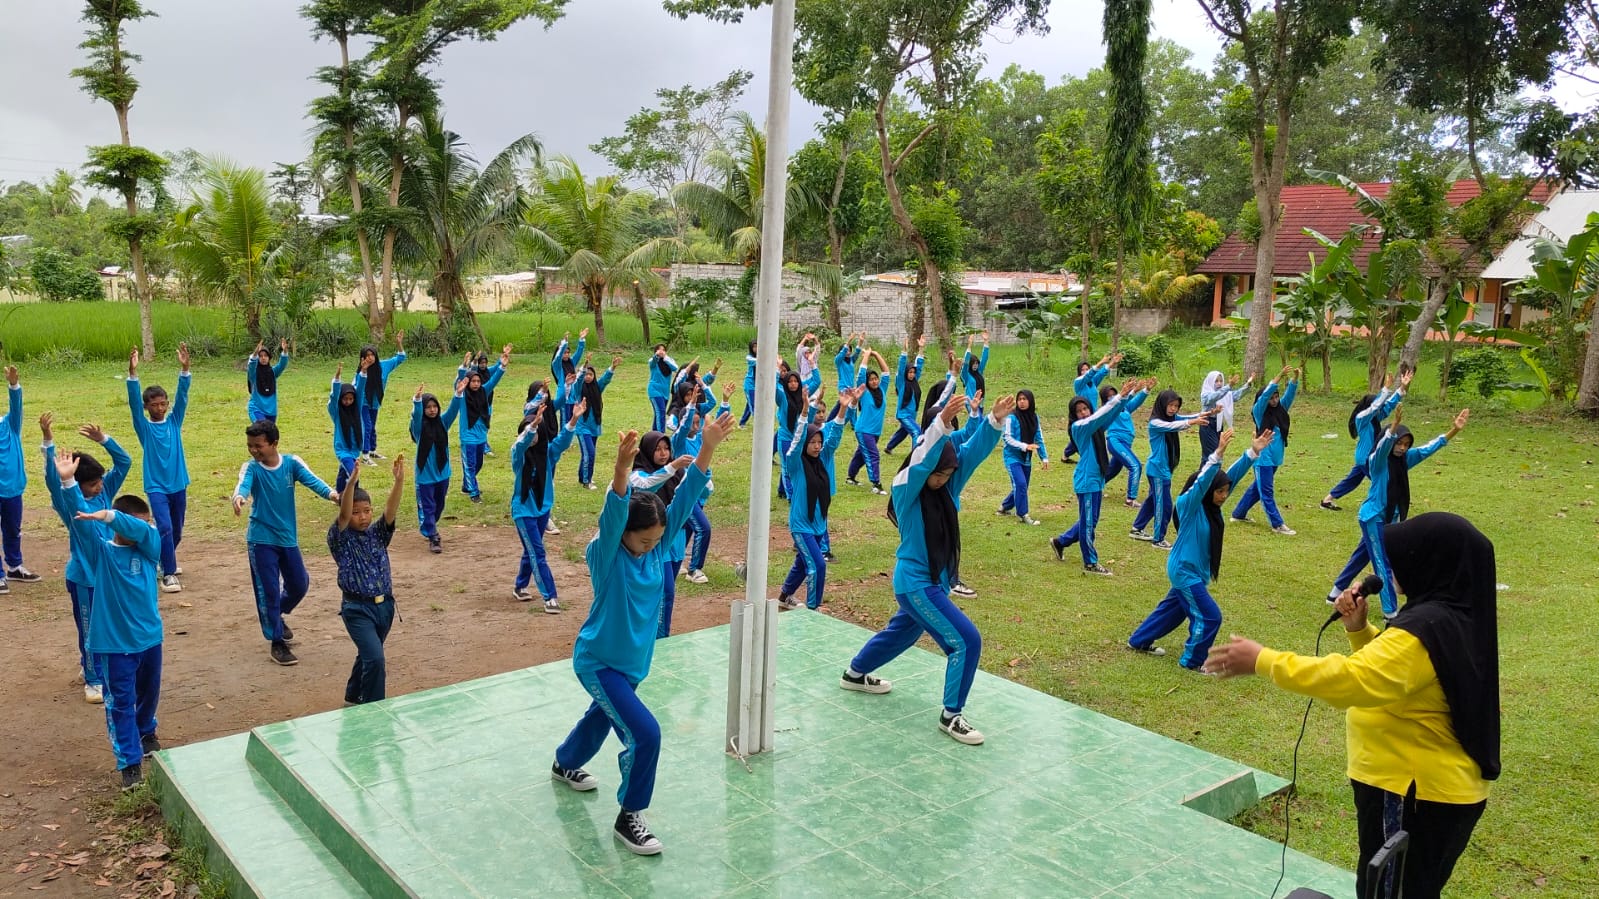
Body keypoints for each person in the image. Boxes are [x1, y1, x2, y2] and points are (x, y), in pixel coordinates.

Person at [1205, 512, 1500, 899]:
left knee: (1389, 893)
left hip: (1413, 793)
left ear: (1431, 562)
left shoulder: (1424, 630)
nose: (1391, 570)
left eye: (1400, 559)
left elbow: (1353, 681)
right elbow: (1403, 679)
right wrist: (1360, 631)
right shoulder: (1452, 617)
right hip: (1436, 792)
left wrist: (1263, 660)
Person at [551, 416, 733, 856]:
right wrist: (619, 470)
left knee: (601, 719)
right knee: (645, 734)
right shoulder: (607, 556)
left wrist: (707, 447)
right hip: (599, 661)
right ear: (625, 536)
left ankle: (565, 762)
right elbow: (614, 512)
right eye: (645, 540)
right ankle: (628, 815)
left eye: (658, 540)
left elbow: (686, 497)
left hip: (632, 664)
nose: (653, 546)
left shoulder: (656, 548)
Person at [839, 392, 1014, 746]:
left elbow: (972, 454)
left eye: (949, 472)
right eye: (940, 472)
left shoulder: (948, 485)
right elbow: (921, 461)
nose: (944, 478)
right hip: (915, 583)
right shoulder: (905, 486)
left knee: (902, 633)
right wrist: (941, 424)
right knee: (966, 641)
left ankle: (855, 673)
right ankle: (952, 716)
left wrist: (994, 421)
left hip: (932, 582)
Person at [56, 456, 163, 791]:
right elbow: (81, 524)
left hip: (150, 639)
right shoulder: (100, 552)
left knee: (148, 695)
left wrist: (109, 515)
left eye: (147, 525)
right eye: (140, 525)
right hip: (115, 645)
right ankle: (129, 761)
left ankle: (147, 731)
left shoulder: (150, 547)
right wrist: (68, 483)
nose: (146, 529)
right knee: (119, 703)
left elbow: (136, 528)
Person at [1126, 427, 1271, 669]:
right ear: (1205, 491)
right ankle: (1193, 661)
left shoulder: (1211, 506)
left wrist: (1252, 453)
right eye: (1220, 491)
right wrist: (1217, 454)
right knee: (1210, 616)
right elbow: (1204, 482)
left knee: (1173, 609)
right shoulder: (1189, 505)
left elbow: (1230, 477)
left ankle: (1139, 640)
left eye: (1225, 491)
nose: (1224, 496)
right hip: (1185, 570)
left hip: (1195, 572)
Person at [1329, 406, 1470, 617]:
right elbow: (1383, 447)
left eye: (1406, 444)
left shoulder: (1405, 460)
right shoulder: (1376, 462)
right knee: (1382, 563)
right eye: (1399, 443)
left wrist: (1454, 430)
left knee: (1363, 554)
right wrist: (1392, 428)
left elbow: (1428, 449)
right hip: (1373, 517)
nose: (1402, 448)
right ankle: (1391, 612)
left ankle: (1335, 592)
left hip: (1390, 519)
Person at [40, 413, 132, 704]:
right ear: (77, 485)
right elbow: (55, 484)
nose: (100, 486)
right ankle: (93, 680)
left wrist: (104, 440)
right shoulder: (71, 505)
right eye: (93, 483)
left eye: (100, 481)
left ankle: (89, 666)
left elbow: (125, 462)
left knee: (107, 625)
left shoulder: (104, 495)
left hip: (109, 576)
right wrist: (48, 443)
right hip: (84, 579)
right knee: (91, 628)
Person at [233, 420, 339, 666]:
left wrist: (333, 495)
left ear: (274, 443)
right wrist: (238, 498)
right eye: (250, 446)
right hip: (261, 539)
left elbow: (314, 481)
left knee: (299, 584)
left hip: (287, 538)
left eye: (258, 446)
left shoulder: (291, 464)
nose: (253, 450)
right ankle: (276, 642)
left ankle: (275, 616)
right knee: (267, 590)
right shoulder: (251, 468)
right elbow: (243, 487)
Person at [1051, 379, 1149, 575]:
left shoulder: (1095, 428)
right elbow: (1098, 416)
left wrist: (1125, 397)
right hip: (1086, 481)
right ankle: (1090, 562)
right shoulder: (1079, 427)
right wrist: (1119, 396)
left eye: (1085, 408)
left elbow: (1111, 415)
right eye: (1078, 411)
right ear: (1074, 415)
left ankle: (1060, 542)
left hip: (1096, 480)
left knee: (1090, 520)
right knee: (1088, 523)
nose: (1083, 413)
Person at [328, 455, 405, 705]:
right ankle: (374, 709)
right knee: (376, 658)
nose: (362, 517)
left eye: (367, 511)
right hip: (357, 609)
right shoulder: (341, 538)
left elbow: (390, 511)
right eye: (356, 512)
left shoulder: (378, 535)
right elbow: (342, 515)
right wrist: (350, 484)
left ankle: (352, 695)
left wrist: (399, 481)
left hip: (385, 608)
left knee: (369, 654)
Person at [779, 392, 852, 609]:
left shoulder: (824, 458)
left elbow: (835, 436)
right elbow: (797, 438)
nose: (817, 446)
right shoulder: (796, 463)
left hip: (819, 524)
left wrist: (842, 408)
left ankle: (784, 597)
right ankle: (813, 608)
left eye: (819, 442)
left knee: (802, 563)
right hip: (802, 526)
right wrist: (804, 411)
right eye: (813, 442)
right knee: (818, 565)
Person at [126, 346, 190, 593]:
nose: (160, 408)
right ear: (146, 407)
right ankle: (169, 574)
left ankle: (162, 559)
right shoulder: (144, 428)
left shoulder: (174, 421)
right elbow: (133, 405)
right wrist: (133, 374)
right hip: (156, 486)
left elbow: (183, 397)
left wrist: (185, 370)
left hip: (178, 482)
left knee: (177, 530)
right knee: (164, 527)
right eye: (154, 405)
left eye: (163, 404)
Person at [627, 427, 701, 637]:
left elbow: (702, 488)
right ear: (647, 451)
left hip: (676, 538)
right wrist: (673, 466)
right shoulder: (638, 474)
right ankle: (659, 637)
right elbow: (646, 485)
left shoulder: (677, 472)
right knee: (666, 590)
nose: (662, 453)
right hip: (656, 541)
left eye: (666, 449)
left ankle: (658, 630)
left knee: (665, 591)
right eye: (657, 449)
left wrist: (698, 469)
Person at [512, 394, 581, 610]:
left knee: (531, 549)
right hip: (523, 511)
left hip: (543, 509)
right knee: (538, 553)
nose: (531, 436)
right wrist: (531, 425)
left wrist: (573, 420)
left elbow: (561, 442)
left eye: (535, 432)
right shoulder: (518, 456)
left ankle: (520, 587)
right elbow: (521, 444)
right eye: (526, 432)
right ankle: (550, 597)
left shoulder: (548, 453)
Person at [1130, 389, 1213, 548]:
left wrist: (1207, 413)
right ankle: (1158, 539)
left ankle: (1137, 528)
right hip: (1158, 471)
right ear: (1162, 404)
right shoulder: (1156, 422)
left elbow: (1185, 418)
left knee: (1152, 501)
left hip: (1164, 469)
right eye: (1170, 405)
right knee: (1165, 505)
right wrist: (1193, 422)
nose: (1173, 409)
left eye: (1176, 406)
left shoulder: (1171, 417)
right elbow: (1175, 425)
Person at [669, 383, 731, 585]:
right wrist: (692, 404)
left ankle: (678, 562)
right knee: (703, 528)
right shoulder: (677, 440)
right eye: (692, 423)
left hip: (700, 493)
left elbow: (713, 432)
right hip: (686, 494)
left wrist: (725, 402)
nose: (695, 427)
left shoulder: (697, 439)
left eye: (698, 423)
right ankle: (694, 569)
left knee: (686, 528)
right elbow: (685, 425)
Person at [1321, 369, 1409, 511]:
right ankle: (1386, 505)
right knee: (1383, 479)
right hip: (1366, 458)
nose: (1379, 409)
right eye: (1376, 406)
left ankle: (1327, 500)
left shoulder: (1375, 418)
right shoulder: (1361, 418)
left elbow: (1389, 405)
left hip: (1365, 457)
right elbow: (1375, 407)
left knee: (1352, 480)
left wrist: (1402, 387)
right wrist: (1385, 388)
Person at [1230, 366, 1298, 535]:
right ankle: (1277, 524)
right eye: (1271, 398)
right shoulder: (1259, 412)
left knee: (1257, 488)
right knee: (1266, 491)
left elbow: (1289, 395)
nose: (1274, 400)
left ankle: (1238, 514)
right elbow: (1266, 394)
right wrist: (1279, 376)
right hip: (1262, 459)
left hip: (1275, 459)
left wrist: (1294, 379)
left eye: (1277, 397)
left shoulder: (1280, 410)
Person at [409, 381, 465, 554]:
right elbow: (416, 417)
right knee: (428, 507)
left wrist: (458, 394)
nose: (432, 410)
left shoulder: (443, 423)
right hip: (425, 477)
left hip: (443, 474)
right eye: (428, 407)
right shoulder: (418, 428)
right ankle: (433, 536)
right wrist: (417, 401)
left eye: (435, 406)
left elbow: (453, 412)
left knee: (438, 506)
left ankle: (430, 523)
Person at [0, 364, 38, 592]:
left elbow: (17, 406)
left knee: (13, 528)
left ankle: (15, 566)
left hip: (13, 489)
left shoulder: (10, 426)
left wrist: (14, 385)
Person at [457, 346, 510, 503]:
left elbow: (494, 380)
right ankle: (474, 493)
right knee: (471, 465)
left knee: (478, 464)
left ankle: (467, 485)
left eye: (478, 381)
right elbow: (460, 380)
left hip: (481, 436)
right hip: (468, 437)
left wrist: (503, 365)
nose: (476, 384)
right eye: (473, 381)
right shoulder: (462, 396)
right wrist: (464, 366)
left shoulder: (484, 391)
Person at [997, 389, 1049, 525]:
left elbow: (1038, 438)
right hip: (1012, 457)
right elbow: (1007, 437)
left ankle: (1004, 507)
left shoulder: (1034, 417)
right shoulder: (1011, 417)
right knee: (1020, 483)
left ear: (1030, 401)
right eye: (1019, 399)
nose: (1022, 402)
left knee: (1021, 487)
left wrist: (1044, 457)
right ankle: (1023, 514)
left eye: (1025, 399)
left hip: (1026, 459)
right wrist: (1024, 446)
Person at [355, 331, 406, 465]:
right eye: (367, 356)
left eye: (372, 355)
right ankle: (365, 456)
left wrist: (399, 343)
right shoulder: (361, 371)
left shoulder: (384, 366)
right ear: (362, 358)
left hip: (375, 401)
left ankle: (372, 450)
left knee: (372, 426)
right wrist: (364, 370)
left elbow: (401, 357)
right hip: (363, 403)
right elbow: (356, 386)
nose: (370, 358)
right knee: (366, 425)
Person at [845, 349, 892, 495]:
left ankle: (850, 477)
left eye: (875, 378)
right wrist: (866, 356)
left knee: (861, 455)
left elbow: (886, 372)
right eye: (871, 379)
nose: (874, 381)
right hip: (864, 430)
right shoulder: (863, 391)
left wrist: (876, 354)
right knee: (873, 455)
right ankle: (876, 484)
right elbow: (861, 373)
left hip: (875, 432)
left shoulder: (882, 389)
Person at [1060, 353, 1119, 463]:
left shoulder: (1092, 383)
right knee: (1080, 437)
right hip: (1081, 415)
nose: (1085, 371)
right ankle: (1068, 454)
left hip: (1092, 414)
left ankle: (1068, 454)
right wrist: (1101, 362)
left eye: (1087, 369)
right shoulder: (1078, 383)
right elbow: (1089, 374)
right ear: (1079, 372)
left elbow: (1101, 373)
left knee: (1091, 435)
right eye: (1083, 370)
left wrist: (1112, 363)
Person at [1099, 382, 1149, 508]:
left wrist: (1145, 390)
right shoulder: (1109, 409)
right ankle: (1130, 499)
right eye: (1108, 396)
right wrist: (1128, 393)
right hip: (1115, 442)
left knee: (1113, 469)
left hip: (1126, 443)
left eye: (1113, 394)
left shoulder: (1125, 408)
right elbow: (1119, 401)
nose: (1112, 397)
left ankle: (1094, 487)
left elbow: (1135, 402)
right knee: (1135, 465)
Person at [573, 357, 619, 490]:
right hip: (582, 428)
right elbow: (578, 380)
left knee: (587, 453)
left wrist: (612, 367)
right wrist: (583, 367)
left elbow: (605, 379)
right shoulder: (578, 389)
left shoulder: (597, 388)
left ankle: (582, 476)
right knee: (590, 453)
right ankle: (587, 481)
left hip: (594, 427)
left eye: (590, 374)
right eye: (586, 374)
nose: (588, 377)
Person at [882, 337, 926, 454]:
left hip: (912, 415)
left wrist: (921, 348)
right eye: (910, 372)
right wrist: (904, 350)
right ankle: (915, 455)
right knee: (917, 432)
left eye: (913, 372)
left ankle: (889, 447)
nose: (912, 374)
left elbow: (919, 365)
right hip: (903, 415)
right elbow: (901, 367)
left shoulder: (915, 380)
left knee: (903, 431)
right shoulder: (901, 382)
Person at [328, 363, 366, 494]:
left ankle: (339, 493)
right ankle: (355, 497)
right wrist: (337, 378)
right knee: (354, 474)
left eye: (351, 399)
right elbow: (333, 399)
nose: (348, 401)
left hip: (355, 450)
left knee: (343, 472)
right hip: (343, 450)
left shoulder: (357, 408)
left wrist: (363, 372)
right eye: (345, 399)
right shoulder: (337, 412)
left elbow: (360, 390)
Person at [1198, 370, 1252, 459]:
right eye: (1216, 381)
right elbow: (1215, 396)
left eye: (1221, 381)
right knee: (1211, 454)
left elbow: (1235, 395)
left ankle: (1214, 472)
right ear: (1210, 381)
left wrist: (1248, 384)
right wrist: (1229, 386)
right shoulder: (1205, 395)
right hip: (1207, 424)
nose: (1219, 383)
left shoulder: (1224, 393)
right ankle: (1207, 472)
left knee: (1219, 453)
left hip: (1218, 425)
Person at [246, 339, 290, 423]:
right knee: (261, 430)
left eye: (265, 355)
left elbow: (282, 365)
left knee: (269, 435)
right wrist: (255, 353)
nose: (263, 358)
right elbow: (251, 365)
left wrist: (285, 351)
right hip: (257, 409)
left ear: (269, 358)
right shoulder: (253, 373)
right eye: (261, 356)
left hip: (271, 412)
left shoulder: (273, 372)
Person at [551, 329, 587, 424]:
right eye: (564, 353)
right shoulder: (557, 365)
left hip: (573, 397)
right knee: (564, 422)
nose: (566, 355)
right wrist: (564, 344)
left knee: (573, 421)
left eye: (568, 352)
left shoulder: (570, 362)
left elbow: (578, 354)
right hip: (563, 398)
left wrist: (581, 340)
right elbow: (558, 357)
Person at [646, 344, 679, 432]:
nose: (661, 351)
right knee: (661, 412)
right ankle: (660, 435)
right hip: (654, 390)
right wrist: (656, 356)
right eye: (659, 350)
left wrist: (666, 358)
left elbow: (676, 368)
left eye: (663, 350)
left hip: (665, 392)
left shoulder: (669, 360)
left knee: (658, 414)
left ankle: (654, 433)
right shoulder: (653, 361)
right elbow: (653, 362)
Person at [960, 332, 990, 411]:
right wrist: (969, 345)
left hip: (980, 402)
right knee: (975, 420)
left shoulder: (979, 371)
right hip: (971, 403)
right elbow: (966, 362)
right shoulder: (966, 375)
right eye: (973, 363)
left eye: (977, 363)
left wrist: (986, 341)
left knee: (979, 422)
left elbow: (984, 358)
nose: (975, 365)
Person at [738, 340, 759, 428]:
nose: (756, 349)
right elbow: (758, 361)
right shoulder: (749, 357)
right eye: (754, 347)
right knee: (753, 404)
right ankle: (758, 424)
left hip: (758, 384)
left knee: (750, 404)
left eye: (757, 346)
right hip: (750, 385)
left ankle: (742, 422)